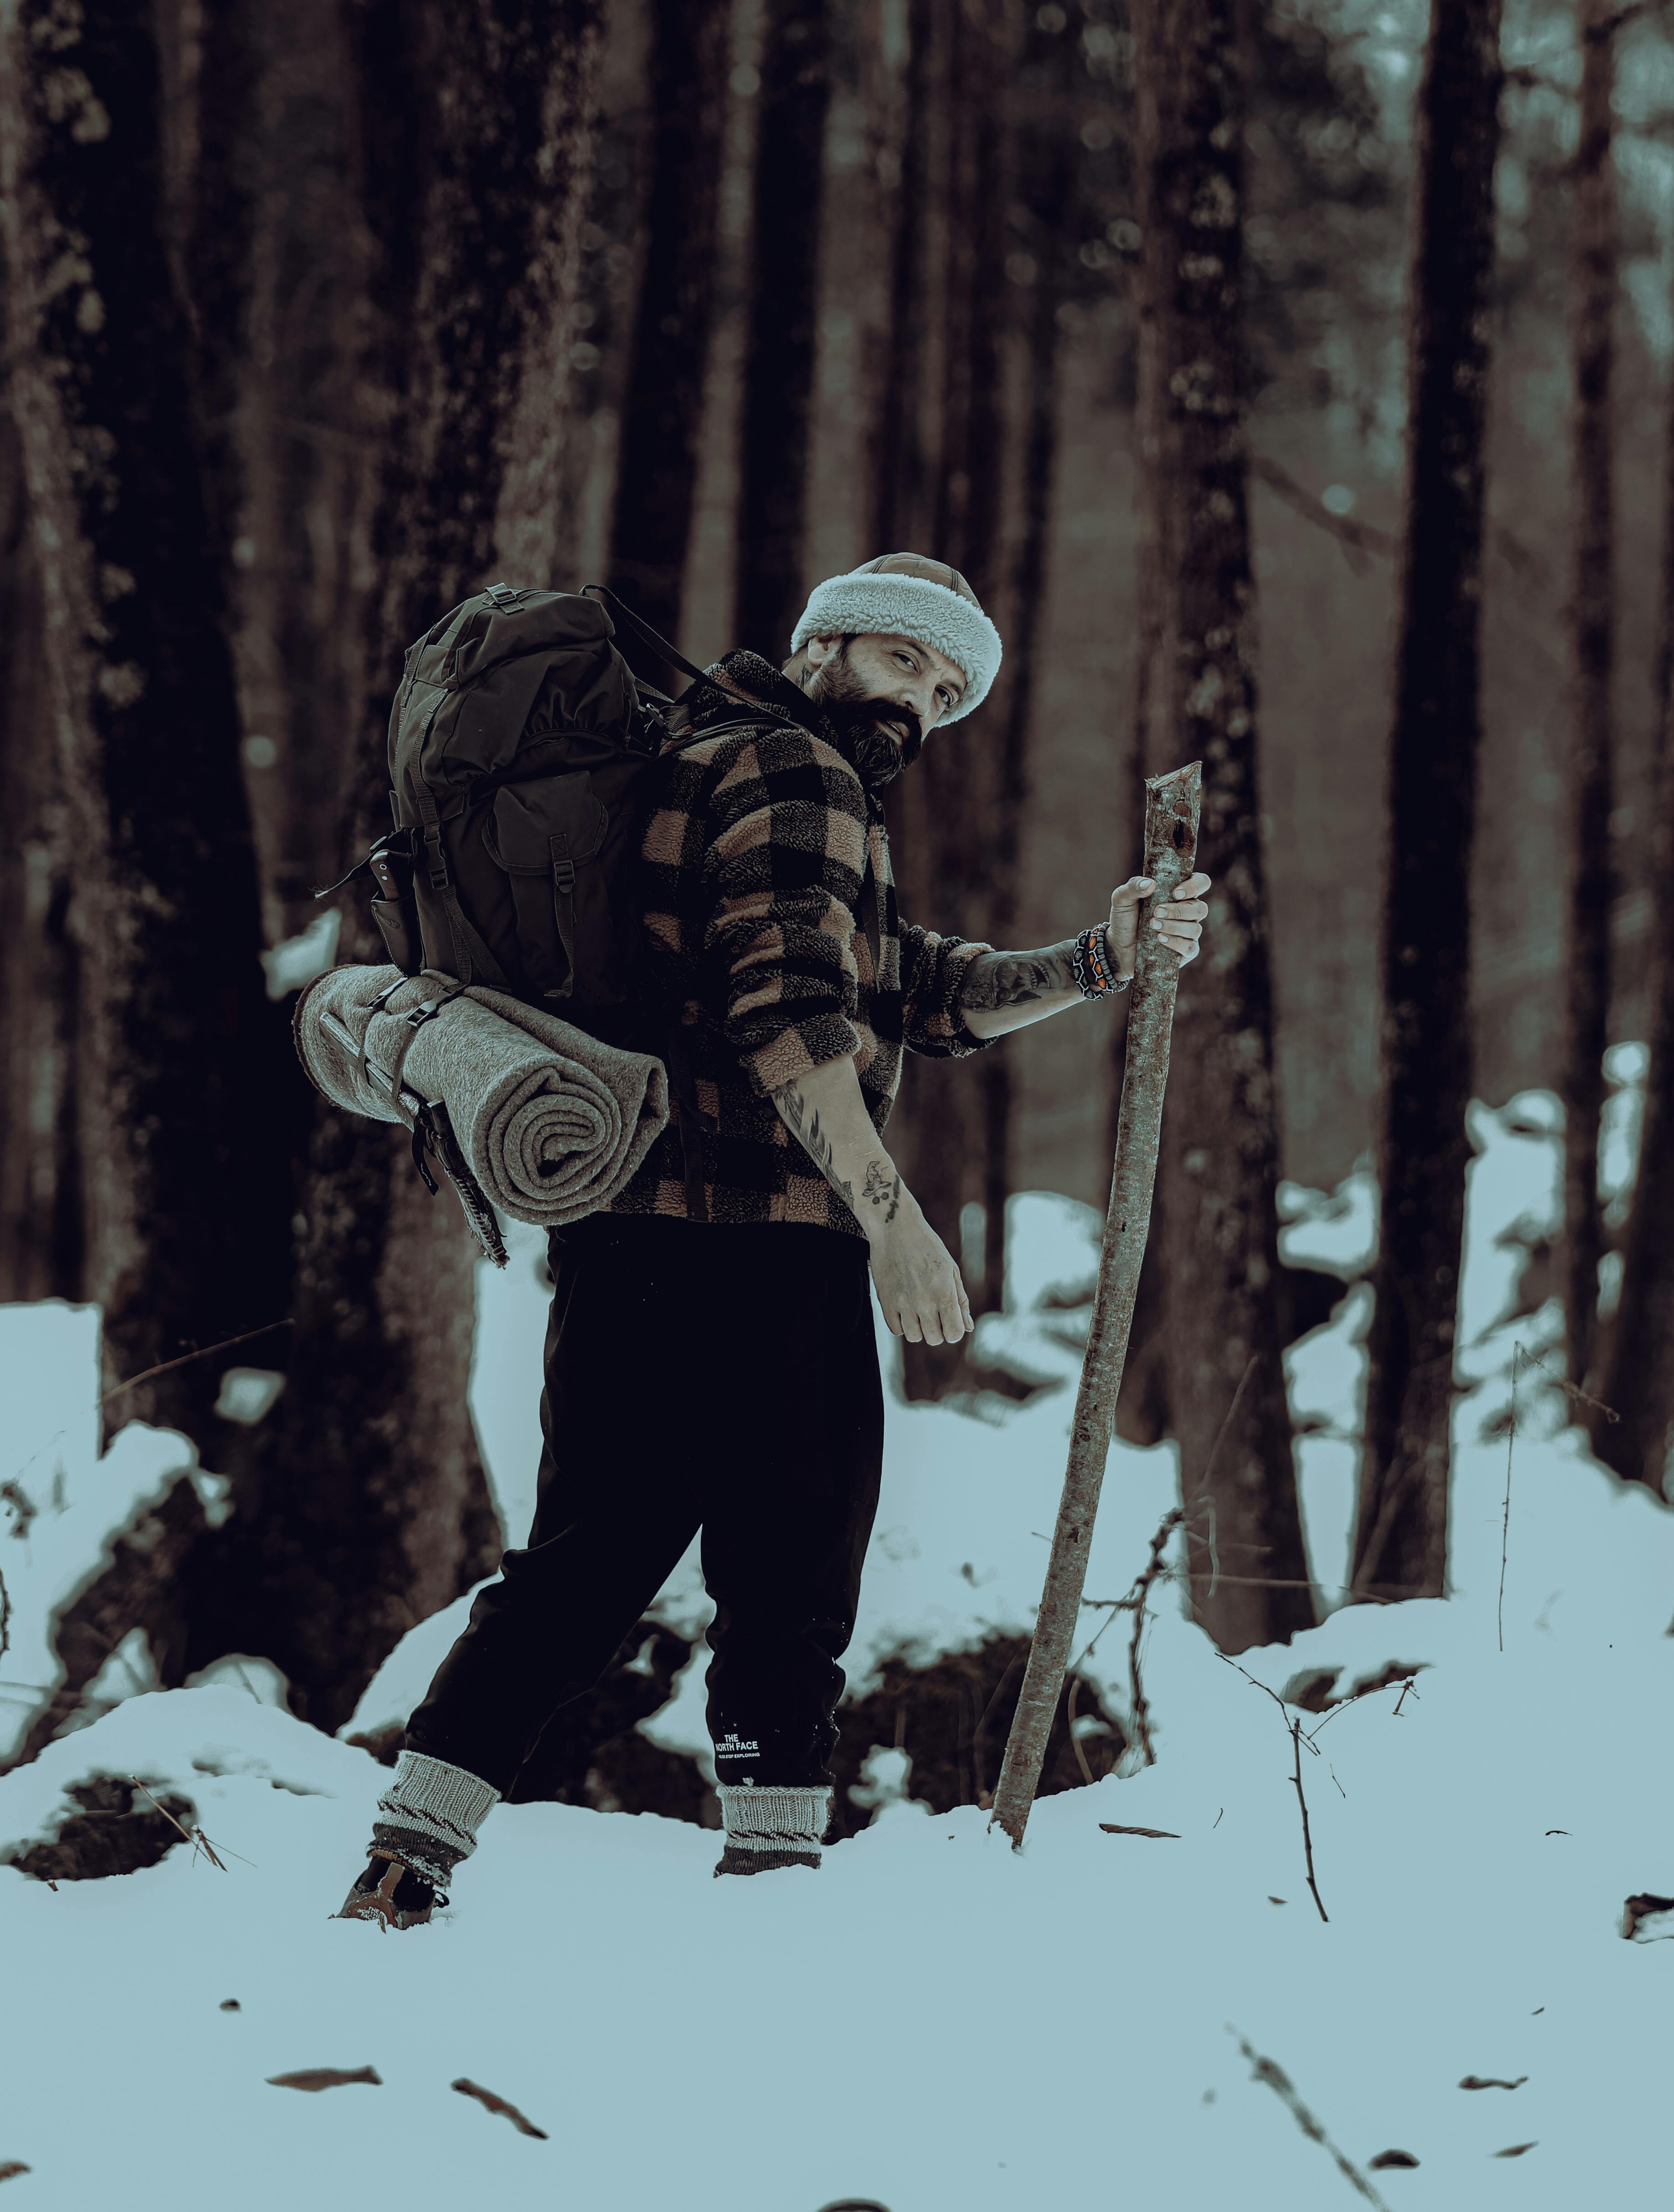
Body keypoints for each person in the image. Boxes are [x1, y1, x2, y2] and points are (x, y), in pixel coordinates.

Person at [339, 551, 1210, 1926]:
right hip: (761, 1245)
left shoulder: (721, 756)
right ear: (824, 645)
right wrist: (894, 1223)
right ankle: (770, 1896)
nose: (918, 702)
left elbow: (910, 988)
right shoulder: (796, 773)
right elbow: (794, 1026)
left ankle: (404, 1864)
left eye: (945, 690)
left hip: (630, 1239)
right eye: (902, 660)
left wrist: (1096, 961)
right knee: (792, 1583)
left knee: (580, 1572)